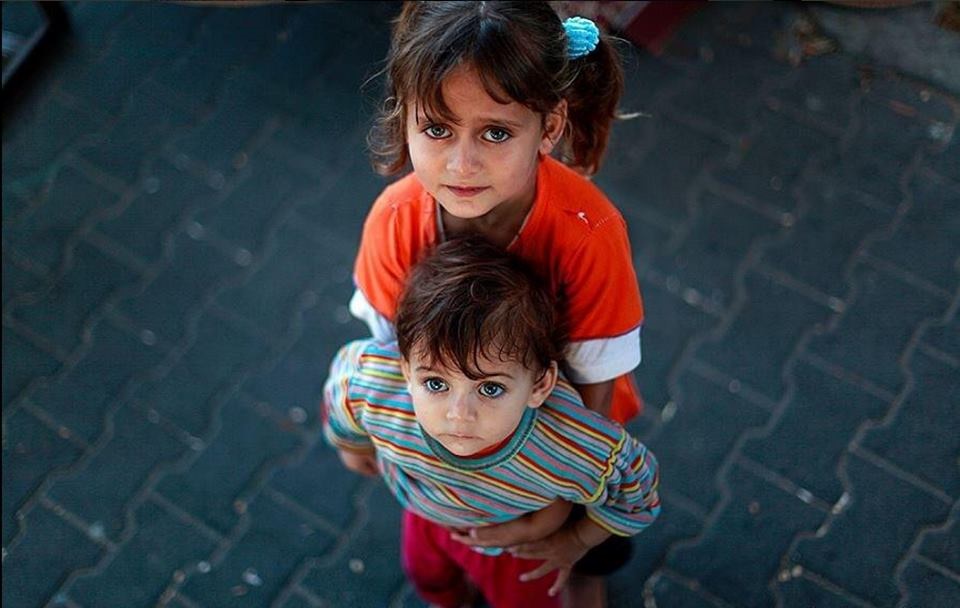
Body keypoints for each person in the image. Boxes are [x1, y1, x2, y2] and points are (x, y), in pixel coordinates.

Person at [348, 2, 645, 603]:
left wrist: (559, 505)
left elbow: (596, 387)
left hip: (565, 444)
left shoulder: (589, 234)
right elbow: (387, 358)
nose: (462, 165)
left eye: (496, 133)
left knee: (581, 561)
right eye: (437, 129)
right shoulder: (394, 220)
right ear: (404, 118)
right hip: (454, 444)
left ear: (550, 127)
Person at [324, 238, 661, 608]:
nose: (459, 413)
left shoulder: (565, 443)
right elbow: (345, 384)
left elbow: (637, 488)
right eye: (435, 384)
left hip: (512, 543)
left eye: (490, 388)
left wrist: (576, 540)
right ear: (406, 370)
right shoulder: (378, 385)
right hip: (424, 513)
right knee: (427, 577)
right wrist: (350, 444)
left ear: (540, 385)